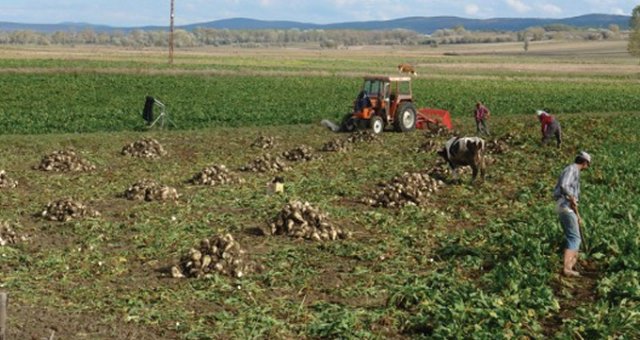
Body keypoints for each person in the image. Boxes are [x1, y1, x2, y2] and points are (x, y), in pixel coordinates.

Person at [553, 151, 591, 277]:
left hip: (567, 206)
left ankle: (571, 265)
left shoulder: (574, 171)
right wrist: (571, 197)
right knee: (574, 237)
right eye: (588, 164)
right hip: (564, 205)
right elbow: (564, 185)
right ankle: (567, 268)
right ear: (584, 162)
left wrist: (577, 215)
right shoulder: (572, 169)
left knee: (575, 236)